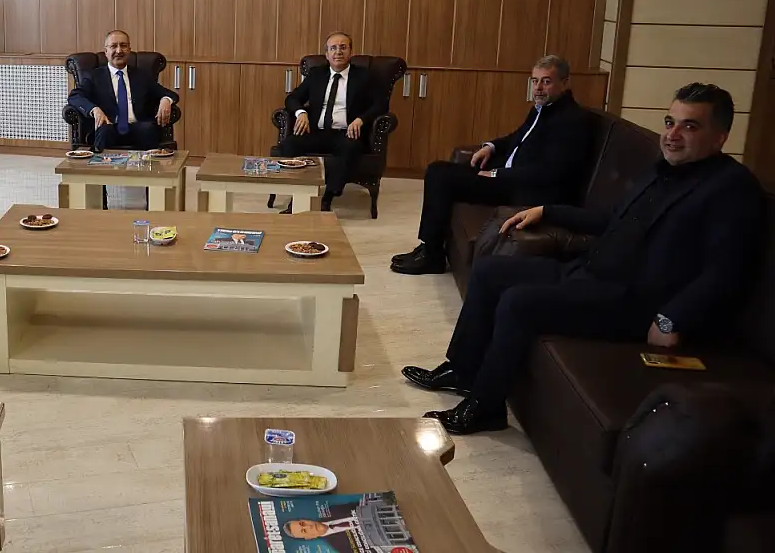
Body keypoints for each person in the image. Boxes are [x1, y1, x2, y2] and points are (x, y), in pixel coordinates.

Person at [401, 83, 764, 435]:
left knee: (518, 302)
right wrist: (547, 211)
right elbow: (613, 219)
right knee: (490, 270)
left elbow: (725, 272)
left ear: (720, 137)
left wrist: (672, 318)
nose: (672, 135)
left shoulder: (732, 188)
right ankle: (463, 370)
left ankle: (485, 408)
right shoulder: (661, 170)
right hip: (589, 271)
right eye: (670, 122)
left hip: (633, 301)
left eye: (690, 126)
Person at [391, 54, 592, 275]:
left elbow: (550, 172)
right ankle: (429, 247)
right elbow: (517, 137)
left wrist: (498, 174)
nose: (538, 88)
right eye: (535, 81)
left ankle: (432, 256)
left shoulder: (572, 120)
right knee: (439, 170)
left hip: (524, 190)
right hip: (509, 176)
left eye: (546, 81)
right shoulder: (543, 108)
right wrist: (491, 147)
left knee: (440, 175)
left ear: (565, 83)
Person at [279, 33, 388, 212]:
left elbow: (380, 104)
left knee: (350, 148)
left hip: (346, 133)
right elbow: (292, 98)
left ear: (351, 52)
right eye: (333, 48)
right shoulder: (317, 74)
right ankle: (297, 197)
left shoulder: (364, 76)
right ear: (327, 54)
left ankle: (327, 198)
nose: (338, 52)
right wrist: (301, 113)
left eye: (343, 47)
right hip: (316, 131)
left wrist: (361, 119)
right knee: (289, 144)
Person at [66, 30, 178, 152]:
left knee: (148, 130)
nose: (119, 51)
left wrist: (165, 100)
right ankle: (99, 163)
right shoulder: (94, 76)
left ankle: (151, 164)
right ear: (106, 52)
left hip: (138, 127)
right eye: (113, 46)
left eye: (123, 46)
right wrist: (94, 110)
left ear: (129, 50)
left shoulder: (141, 76)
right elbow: (75, 96)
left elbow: (169, 93)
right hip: (109, 127)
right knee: (104, 131)